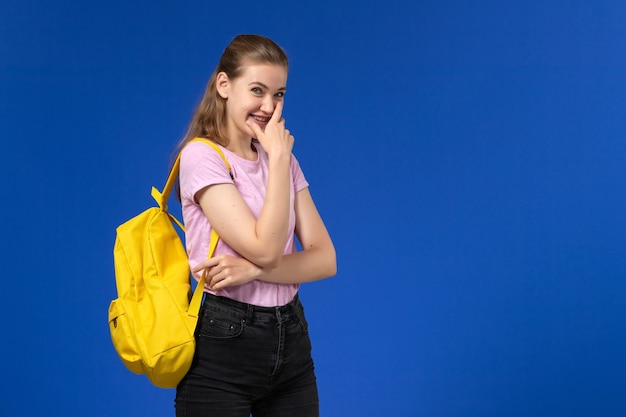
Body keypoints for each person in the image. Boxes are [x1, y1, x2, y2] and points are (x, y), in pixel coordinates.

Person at [173, 34, 337, 417]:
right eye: (258, 90)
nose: (269, 106)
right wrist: (279, 161)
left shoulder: (279, 159)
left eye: (279, 94)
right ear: (225, 85)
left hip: (291, 339)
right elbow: (266, 246)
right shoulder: (202, 157)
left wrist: (252, 270)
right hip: (223, 342)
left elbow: (325, 259)